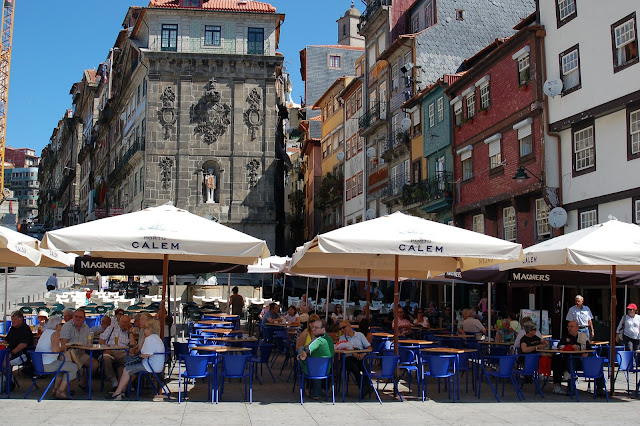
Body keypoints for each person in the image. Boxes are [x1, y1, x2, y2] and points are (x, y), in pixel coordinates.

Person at [109, 319, 165, 400]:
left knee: (127, 369)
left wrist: (140, 354)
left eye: (145, 328)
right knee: (128, 368)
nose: (144, 330)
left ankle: (118, 392)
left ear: (149, 329)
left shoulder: (150, 339)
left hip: (150, 365)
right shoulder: (156, 338)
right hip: (156, 365)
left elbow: (146, 354)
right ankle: (121, 391)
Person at [551, 321, 604, 396]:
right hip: (571, 360)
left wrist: (586, 353)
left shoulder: (583, 337)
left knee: (597, 363)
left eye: (572, 326)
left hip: (583, 361)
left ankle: (600, 388)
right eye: (569, 326)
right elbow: (559, 347)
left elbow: (589, 349)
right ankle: (570, 388)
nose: (570, 328)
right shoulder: (565, 338)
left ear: (577, 328)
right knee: (566, 361)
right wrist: (569, 347)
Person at [34, 315, 78, 399]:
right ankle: (60, 391)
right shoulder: (55, 333)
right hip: (47, 365)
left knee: (63, 367)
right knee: (73, 367)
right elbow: (55, 350)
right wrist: (63, 348)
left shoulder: (45, 332)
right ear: (57, 325)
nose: (62, 326)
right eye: (61, 324)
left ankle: (55, 389)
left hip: (39, 364)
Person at [297, 319, 334, 400]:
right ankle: (317, 392)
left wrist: (300, 356)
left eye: (316, 328)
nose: (313, 329)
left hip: (312, 371)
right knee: (317, 362)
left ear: (323, 329)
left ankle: (308, 388)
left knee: (301, 349)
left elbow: (307, 350)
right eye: (313, 327)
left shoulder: (318, 340)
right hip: (326, 370)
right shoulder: (330, 340)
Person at [60, 309, 97, 388]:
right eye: (76, 316)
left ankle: (83, 381)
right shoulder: (67, 326)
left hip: (81, 353)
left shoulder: (86, 327)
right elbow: (64, 344)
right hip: (68, 354)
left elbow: (88, 341)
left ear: (84, 318)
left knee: (94, 364)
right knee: (71, 364)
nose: (78, 319)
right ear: (73, 317)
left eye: (80, 317)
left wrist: (87, 344)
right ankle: (71, 387)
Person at [337, 321, 373, 397]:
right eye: (340, 329)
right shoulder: (342, 338)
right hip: (348, 358)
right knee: (355, 369)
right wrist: (352, 353)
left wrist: (363, 353)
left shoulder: (360, 335)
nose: (342, 330)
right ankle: (364, 388)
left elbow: (369, 348)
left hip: (360, 356)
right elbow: (341, 349)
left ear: (349, 326)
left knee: (365, 367)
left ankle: (365, 387)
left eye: (344, 327)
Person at [99, 315, 132, 389]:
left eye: (126, 322)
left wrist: (131, 332)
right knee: (105, 358)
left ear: (129, 324)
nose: (123, 324)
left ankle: (125, 384)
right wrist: (106, 348)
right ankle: (113, 380)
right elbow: (101, 340)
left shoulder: (129, 332)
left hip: (123, 353)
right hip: (110, 351)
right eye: (122, 321)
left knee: (130, 360)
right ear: (119, 322)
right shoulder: (111, 328)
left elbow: (133, 344)